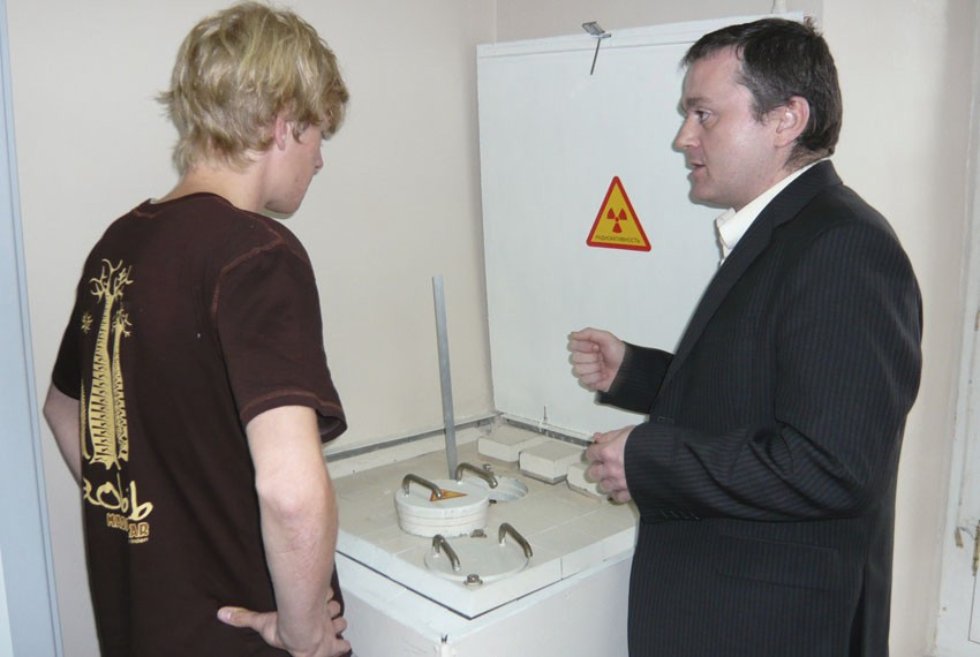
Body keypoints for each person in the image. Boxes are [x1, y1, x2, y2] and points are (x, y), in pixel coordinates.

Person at [569, 17, 921, 657]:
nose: (684, 138)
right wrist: (635, 373)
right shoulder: (789, 232)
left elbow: (834, 466)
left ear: (785, 120)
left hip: (768, 625)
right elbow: (761, 390)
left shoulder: (845, 247)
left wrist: (650, 460)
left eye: (703, 114)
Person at [42, 3, 352, 656]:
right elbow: (292, 492)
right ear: (283, 124)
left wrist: (143, 517)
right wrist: (300, 633)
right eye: (319, 133)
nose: (321, 159)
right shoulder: (257, 255)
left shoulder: (118, 245)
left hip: (140, 625)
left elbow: (64, 410)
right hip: (238, 635)